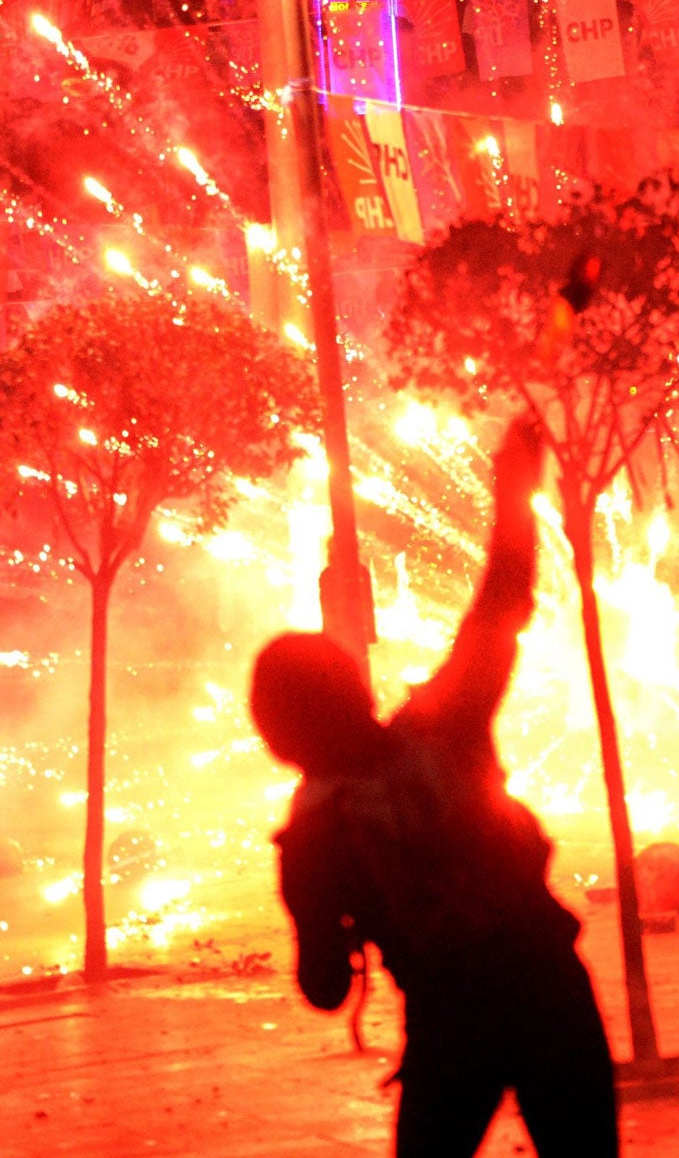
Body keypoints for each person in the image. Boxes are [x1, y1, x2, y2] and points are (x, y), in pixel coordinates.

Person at [250, 419, 619, 1157]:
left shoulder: (313, 835)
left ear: (280, 740)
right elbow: (501, 606)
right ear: (356, 687)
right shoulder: (440, 726)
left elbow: (322, 988)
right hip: (549, 990)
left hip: (451, 1021)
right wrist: (514, 493)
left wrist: (339, 932)